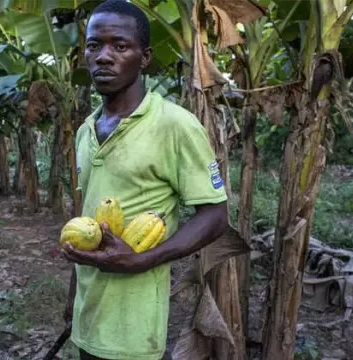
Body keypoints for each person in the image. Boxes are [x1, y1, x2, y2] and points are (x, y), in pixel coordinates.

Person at [61, 1, 229, 359]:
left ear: (145, 57)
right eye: (94, 45)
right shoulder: (85, 131)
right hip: (87, 316)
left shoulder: (174, 124)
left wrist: (144, 258)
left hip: (135, 329)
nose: (104, 56)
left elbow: (215, 215)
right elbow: (87, 213)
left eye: (120, 46)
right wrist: (73, 296)